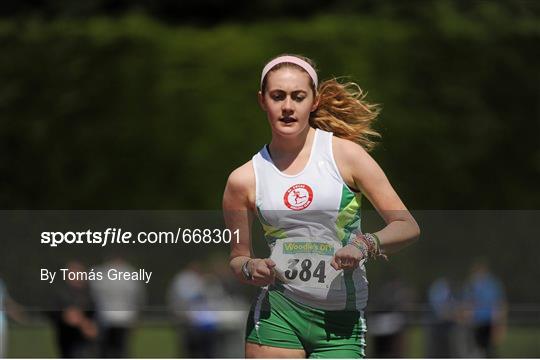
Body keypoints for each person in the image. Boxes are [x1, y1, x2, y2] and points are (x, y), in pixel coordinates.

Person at [223, 54, 420, 358]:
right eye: (278, 97)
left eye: (297, 97)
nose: (287, 106)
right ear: (263, 101)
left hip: (341, 323)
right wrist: (252, 267)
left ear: (313, 101)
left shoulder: (346, 157)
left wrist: (364, 245)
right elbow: (238, 260)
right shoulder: (243, 179)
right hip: (278, 314)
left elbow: (407, 226)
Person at [462, 260, 507, 358]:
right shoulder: (470, 285)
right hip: (475, 324)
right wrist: (467, 319)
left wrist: (499, 325)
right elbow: (467, 305)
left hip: (489, 322)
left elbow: (499, 304)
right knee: (475, 351)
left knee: (490, 351)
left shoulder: (493, 284)